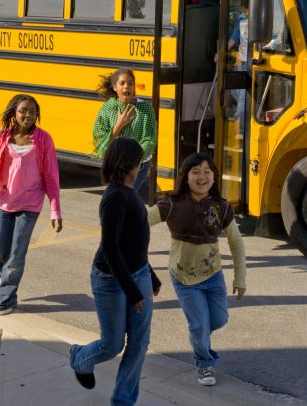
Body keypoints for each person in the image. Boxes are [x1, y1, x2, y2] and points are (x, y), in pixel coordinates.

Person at [70, 137, 161, 405]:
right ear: (128, 165)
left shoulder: (129, 192)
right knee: (112, 345)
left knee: (139, 343)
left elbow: (133, 242)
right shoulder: (114, 197)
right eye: (139, 161)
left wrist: (150, 275)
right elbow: (110, 248)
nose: (142, 166)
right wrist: (132, 292)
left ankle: (122, 401)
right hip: (110, 279)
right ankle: (80, 358)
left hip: (139, 273)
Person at [147, 153, 246, 386]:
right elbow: (141, 221)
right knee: (200, 324)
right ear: (185, 176)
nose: (201, 176)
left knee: (219, 319)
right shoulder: (171, 203)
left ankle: (198, 333)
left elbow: (236, 242)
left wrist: (240, 278)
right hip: (182, 277)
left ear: (214, 177)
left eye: (207, 172)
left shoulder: (221, 207)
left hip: (213, 276)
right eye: (195, 172)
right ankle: (204, 364)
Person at [0, 94, 63, 316]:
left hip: (30, 205)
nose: (28, 115)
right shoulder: (3, 137)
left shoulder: (43, 139)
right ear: (14, 113)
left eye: (33, 111)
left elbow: (51, 177)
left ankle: (7, 299)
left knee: (16, 256)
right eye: (23, 110)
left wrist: (55, 210)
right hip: (4, 202)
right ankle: (4, 277)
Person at [92, 68, 157, 192]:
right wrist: (119, 124)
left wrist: (132, 161)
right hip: (116, 165)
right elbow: (100, 139)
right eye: (122, 83)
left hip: (139, 166)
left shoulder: (146, 110)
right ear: (115, 87)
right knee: (119, 196)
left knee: (125, 194)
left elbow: (149, 140)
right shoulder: (107, 109)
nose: (126, 86)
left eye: (130, 83)